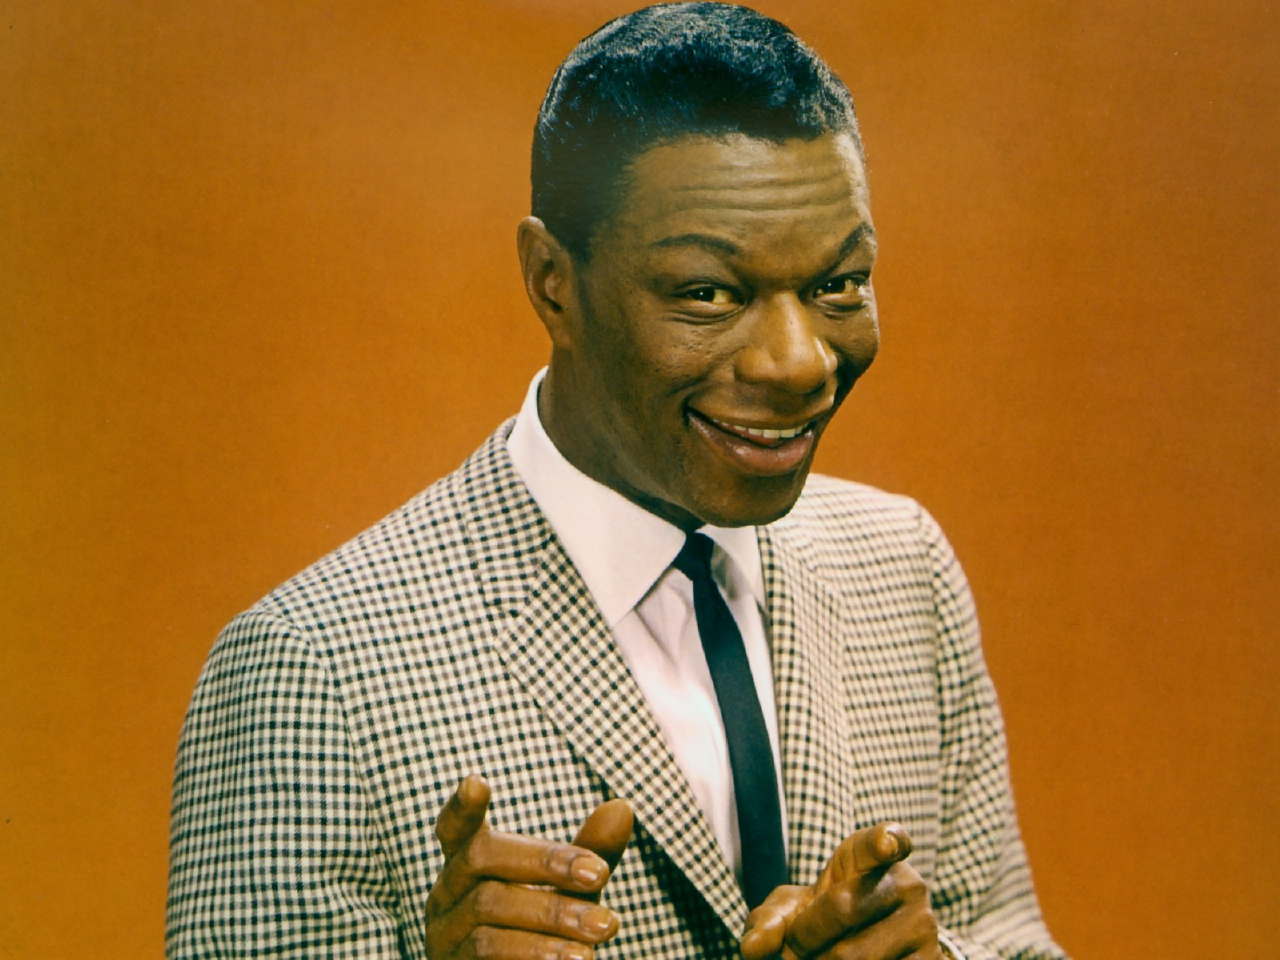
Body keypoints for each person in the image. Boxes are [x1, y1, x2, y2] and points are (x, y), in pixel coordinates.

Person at [167, 4, 1066, 958]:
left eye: (837, 284)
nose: (799, 362)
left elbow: (1009, 939)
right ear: (552, 280)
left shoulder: (904, 567)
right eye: (709, 293)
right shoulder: (314, 670)